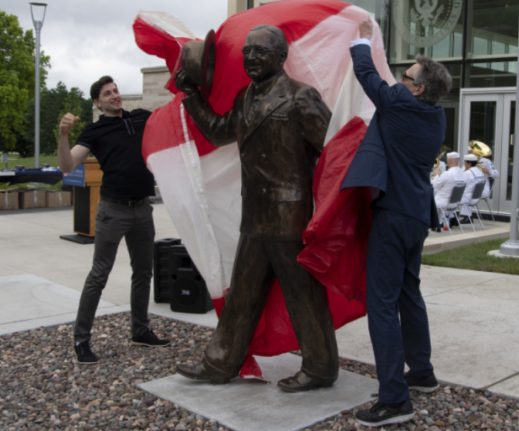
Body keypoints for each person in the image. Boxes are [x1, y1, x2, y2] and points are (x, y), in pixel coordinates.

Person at [173, 25, 338, 393]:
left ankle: (320, 367)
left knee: (303, 295)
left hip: (290, 217)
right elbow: (218, 132)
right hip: (255, 216)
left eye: (260, 51)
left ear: (281, 58)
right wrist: (192, 95)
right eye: (247, 51)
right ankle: (219, 363)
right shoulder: (244, 96)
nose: (250, 58)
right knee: (242, 296)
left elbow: (332, 147)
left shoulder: (301, 96)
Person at [342, 18, 451, 427]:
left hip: (393, 216)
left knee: (383, 304)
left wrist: (363, 40)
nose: (400, 80)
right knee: (409, 293)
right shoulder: (435, 116)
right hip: (417, 215)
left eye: (406, 77)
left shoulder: (402, 103)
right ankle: (421, 372)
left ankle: (394, 398)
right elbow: (385, 85)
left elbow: (368, 75)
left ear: (418, 88)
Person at [58, 75, 169, 364]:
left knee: (144, 272)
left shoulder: (142, 118)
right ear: (97, 102)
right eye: (107, 94)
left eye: (116, 90)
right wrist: (63, 135)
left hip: (143, 209)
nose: (114, 95)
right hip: (113, 210)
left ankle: (140, 330)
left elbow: (174, 115)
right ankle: (81, 339)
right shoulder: (95, 132)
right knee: (99, 275)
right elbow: (67, 165)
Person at [431, 152, 464, 230]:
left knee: (429, 200)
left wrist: (436, 175)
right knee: (440, 205)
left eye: (448, 160)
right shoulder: (462, 174)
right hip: (453, 204)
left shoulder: (448, 174)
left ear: (450, 160)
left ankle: (435, 224)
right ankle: (443, 226)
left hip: (442, 202)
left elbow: (435, 185)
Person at [459, 153, 486, 222]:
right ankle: (467, 216)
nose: (464, 164)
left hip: (467, 199)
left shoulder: (468, 173)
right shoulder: (480, 172)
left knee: (448, 197)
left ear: (469, 163)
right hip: (475, 198)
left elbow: (460, 183)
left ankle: (449, 220)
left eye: (465, 162)